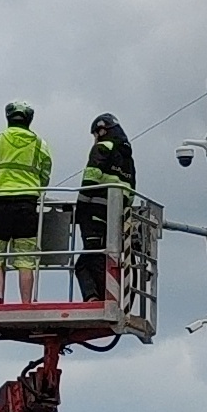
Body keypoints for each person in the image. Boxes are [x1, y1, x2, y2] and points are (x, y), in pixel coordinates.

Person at [0, 100, 53, 304]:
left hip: (1, 202)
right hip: (28, 204)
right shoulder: (40, 144)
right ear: (29, 120)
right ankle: (26, 302)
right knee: (26, 257)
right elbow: (45, 176)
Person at [74, 112, 136, 302]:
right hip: (115, 218)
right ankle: (106, 297)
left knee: (88, 262)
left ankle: (97, 299)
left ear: (102, 130)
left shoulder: (102, 148)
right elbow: (131, 193)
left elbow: (90, 180)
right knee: (104, 258)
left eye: (94, 134)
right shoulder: (128, 158)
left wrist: (79, 209)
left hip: (94, 215)